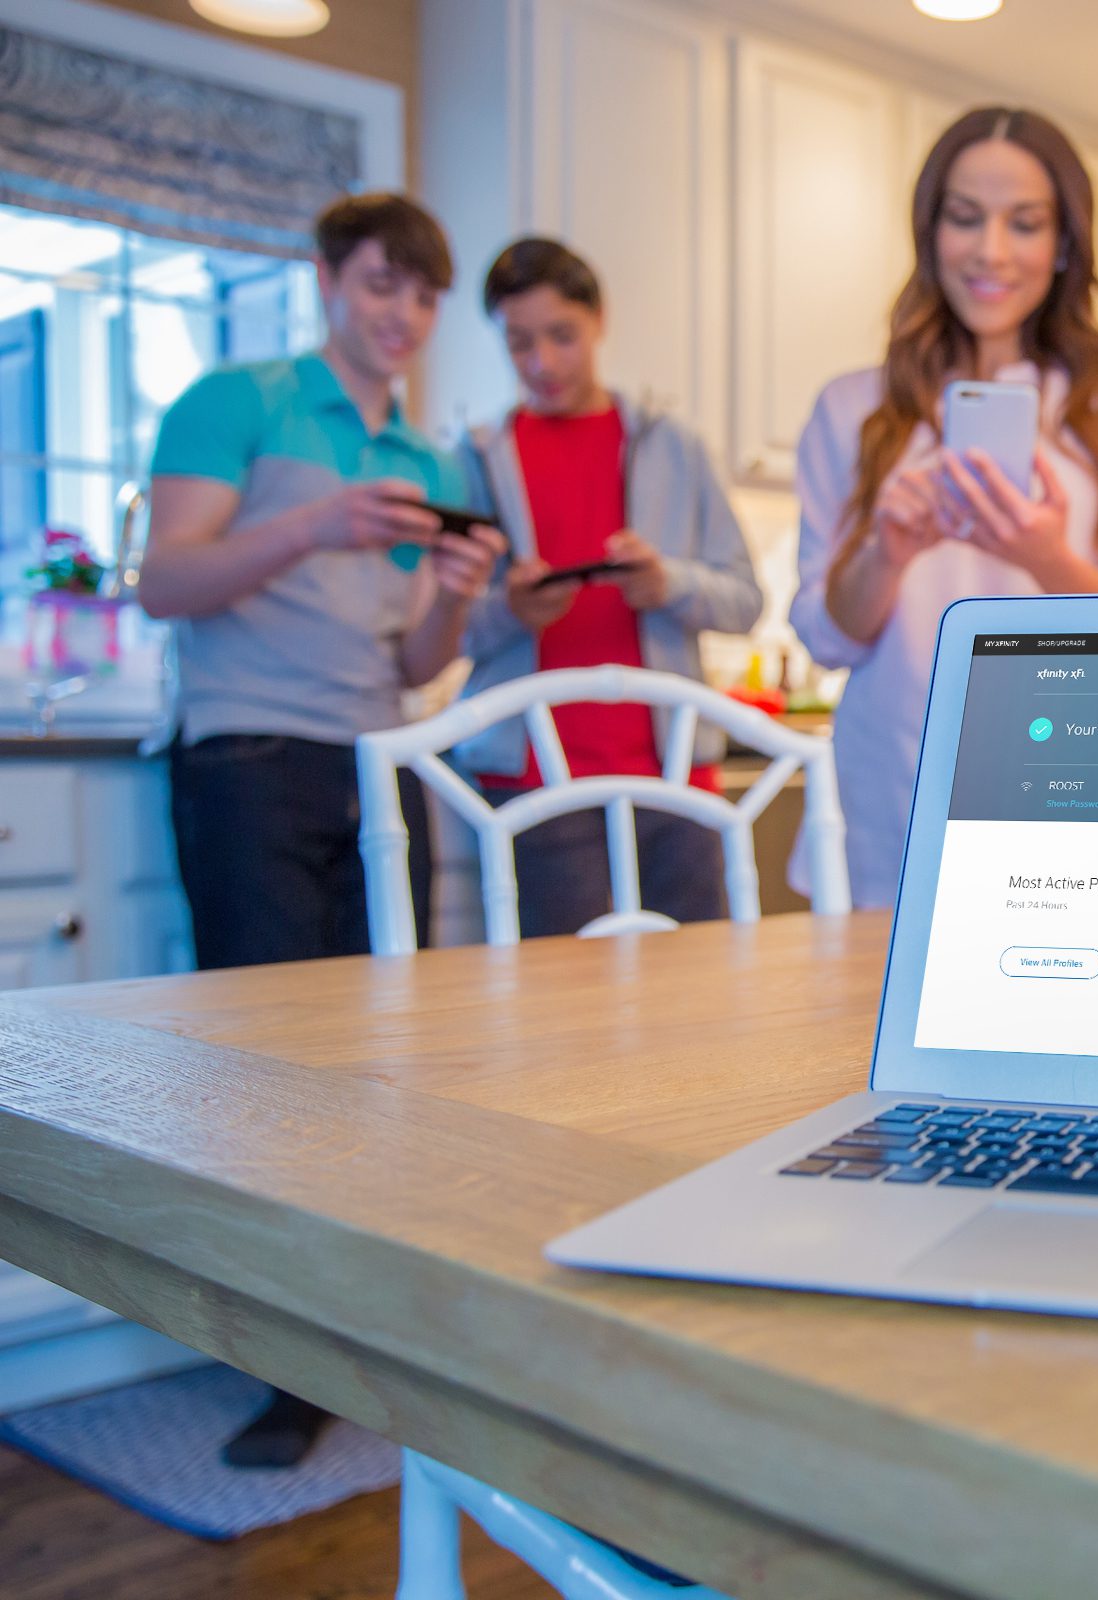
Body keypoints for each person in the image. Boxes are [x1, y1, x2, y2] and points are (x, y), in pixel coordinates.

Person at [141, 192, 506, 1469]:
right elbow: (162, 579)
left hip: (375, 758)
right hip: (245, 753)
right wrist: (315, 520)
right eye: (377, 285)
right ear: (326, 281)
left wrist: (455, 600)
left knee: (373, 1064)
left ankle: (354, 1325)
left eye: (419, 294)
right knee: (261, 1071)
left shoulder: (433, 462)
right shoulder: (236, 404)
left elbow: (416, 663)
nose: (399, 315)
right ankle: (275, 1365)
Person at [790, 106, 1098, 908]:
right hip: (893, 777)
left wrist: (1044, 555)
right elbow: (827, 637)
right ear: (929, 230)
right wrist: (888, 548)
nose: (991, 251)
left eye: (1026, 223)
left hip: (1072, 778)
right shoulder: (852, 407)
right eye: (964, 218)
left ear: (1066, 242)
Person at [454, 237, 764, 937]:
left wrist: (667, 584)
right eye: (519, 343)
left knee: (701, 996)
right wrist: (512, 610)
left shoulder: (673, 446)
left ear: (600, 320)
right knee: (567, 1018)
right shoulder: (477, 458)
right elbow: (446, 628)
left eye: (562, 336)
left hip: (674, 772)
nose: (544, 363)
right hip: (536, 778)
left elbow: (745, 600)